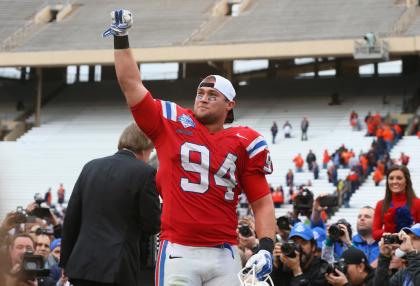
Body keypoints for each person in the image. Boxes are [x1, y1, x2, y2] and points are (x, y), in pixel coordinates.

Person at [107, 9, 276, 286]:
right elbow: (131, 84)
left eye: (213, 95)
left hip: (225, 252)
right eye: (200, 93)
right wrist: (121, 38)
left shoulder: (243, 142)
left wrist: (266, 246)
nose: (203, 98)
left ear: (229, 105)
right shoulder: (172, 122)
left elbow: (262, 201)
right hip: (179, 250)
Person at [60, 123, 161, 286]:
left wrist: (65, 260)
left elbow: (71, 218)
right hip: (117, 268)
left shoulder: (90, 167)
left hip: (82, 265)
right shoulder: (145, 172)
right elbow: (152, 224)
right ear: (145, 147)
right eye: (151, 150)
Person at [372, 165, 420, 241]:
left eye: (399, 178)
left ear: (406, 181)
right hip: (389, 250)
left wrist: (409, 231)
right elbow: (375, 234)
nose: (394, 182)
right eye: (391, 178)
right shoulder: (381, 204)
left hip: (413, 250)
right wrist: (388, 229)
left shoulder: (417, 203)